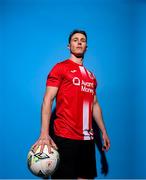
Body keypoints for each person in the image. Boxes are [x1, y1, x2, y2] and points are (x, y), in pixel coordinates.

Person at [32, 29, 110, 179]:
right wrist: (44, 133)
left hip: (87, 140)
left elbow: (94, 104)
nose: (79, 42)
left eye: (82, 40)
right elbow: (48, 99)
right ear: (69, 46)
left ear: (86, 46)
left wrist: (104, 132)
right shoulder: (60, 68)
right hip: (65, 137)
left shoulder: (91, 76)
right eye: (75, 40)